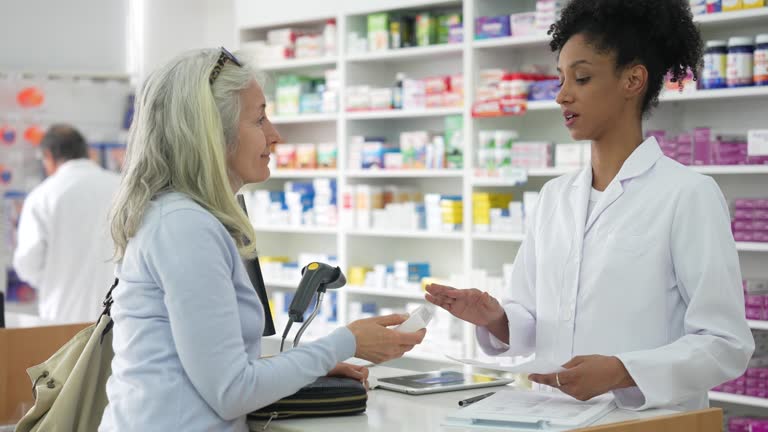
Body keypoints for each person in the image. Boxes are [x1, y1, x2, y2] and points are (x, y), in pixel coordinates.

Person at [426, 0, 754, 412]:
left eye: (581, 78)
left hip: (644, 422)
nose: (562, 95)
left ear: (633, 80)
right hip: (550, 417)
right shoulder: (554, 197)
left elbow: (725, 343)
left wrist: (623, 370)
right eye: (560, 79)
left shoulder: (687, 194)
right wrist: (496, 319)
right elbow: (536, 320)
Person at [100, 48, 426, 431]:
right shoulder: (184, 226)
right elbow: (231, 392)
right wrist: (345, 342)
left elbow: (205, 367)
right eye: (259, 119)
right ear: (211, 133)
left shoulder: (185, 218)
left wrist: (306, 366)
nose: (275, 135)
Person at [12, 125, 120, 324]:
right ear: (87, 152)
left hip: (63, 318)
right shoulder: (121, 186)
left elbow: (28, 263)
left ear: (48, 155)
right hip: (119, 317)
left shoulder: (42, 197)